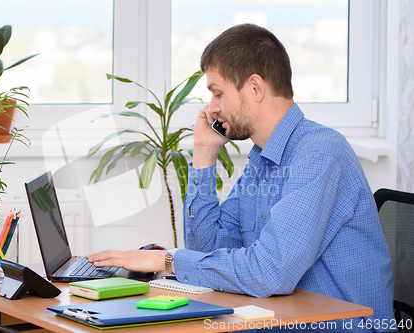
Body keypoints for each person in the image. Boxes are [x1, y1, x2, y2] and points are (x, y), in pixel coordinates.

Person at [87, 24, 395, 332]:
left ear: (255, 88)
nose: (212, 109)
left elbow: (270, 272)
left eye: (218, 93)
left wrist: (166, 260)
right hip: (285, 318)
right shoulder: (262, 159)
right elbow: (208, 248)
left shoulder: (318, 154)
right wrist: (205, 154)